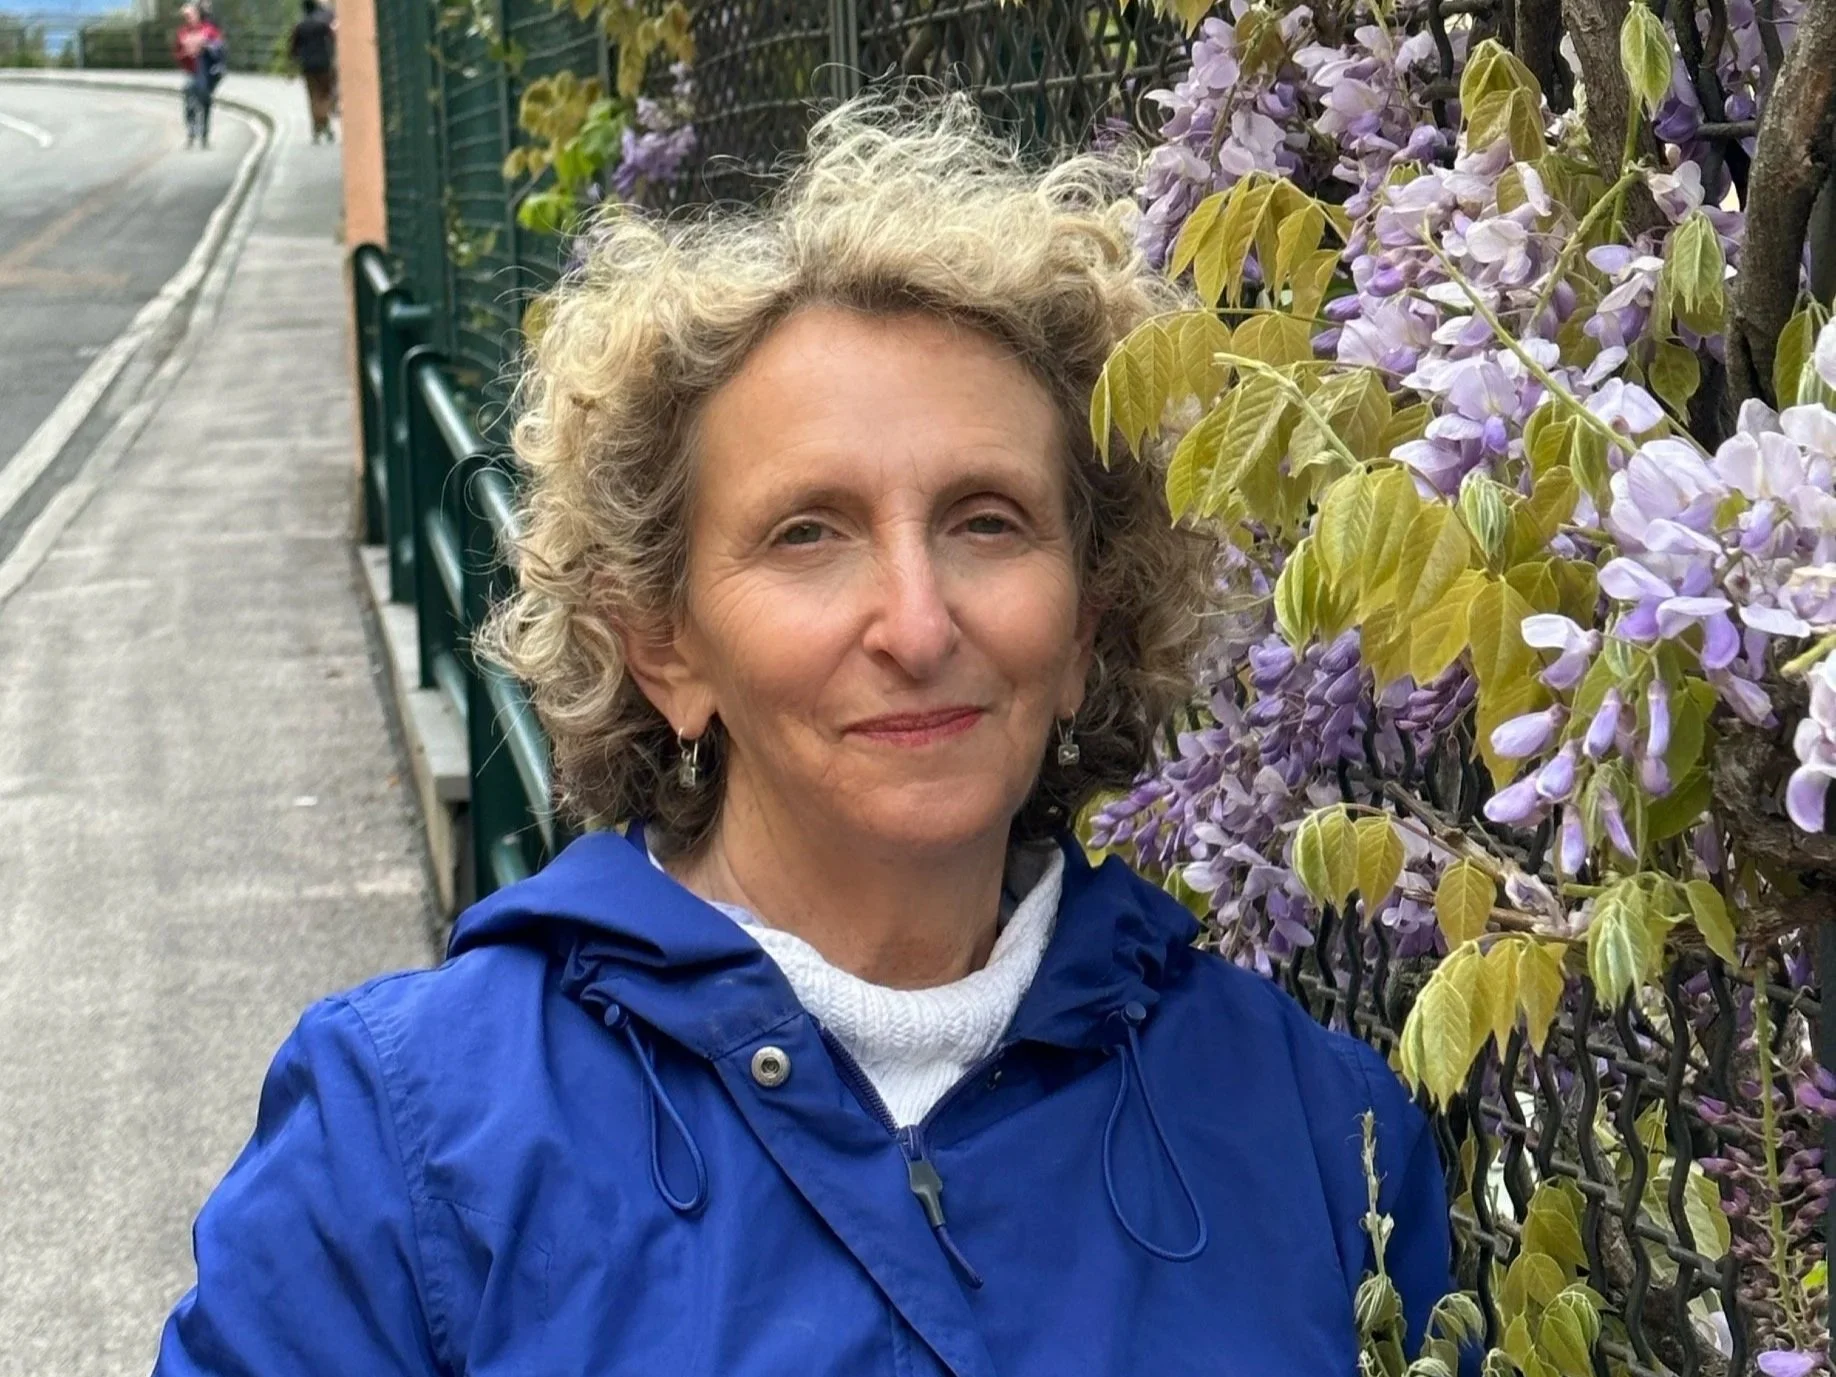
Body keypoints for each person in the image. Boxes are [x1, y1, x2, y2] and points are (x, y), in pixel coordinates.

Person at [150, 96, 1455, 1376]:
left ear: (1083, 626)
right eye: (807, 533)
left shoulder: (1315, 1131)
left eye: (987, 520)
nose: (915, 618)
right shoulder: (405, 1140)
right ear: (664, 643)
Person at [172, 3, 224, 149]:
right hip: (190, 72)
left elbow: (220, 49)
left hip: (206, 74)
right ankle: (191, 132)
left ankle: (204, 135)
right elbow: (177, 53)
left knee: (205, 103)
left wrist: (207, 47)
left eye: (189, 15)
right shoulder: (182, 33)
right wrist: (185, 54)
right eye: (185, 17)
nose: (187, 19)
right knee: (189, 101)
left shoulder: (209, 30)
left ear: (197, 15)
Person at [288, 0, 336, 143]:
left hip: (307, 66)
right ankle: (323, 122)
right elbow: (332, 40)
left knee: (313, 97)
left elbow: (293, 48)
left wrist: (291, 65)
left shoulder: (299, 27)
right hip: (324, 64)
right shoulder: (323, 25)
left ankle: (317, 127)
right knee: (326, 95)